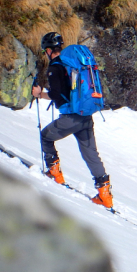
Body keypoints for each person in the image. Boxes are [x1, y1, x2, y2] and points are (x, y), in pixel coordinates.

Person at [31, 32, 113, 209]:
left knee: (46, 136)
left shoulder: (55, 67)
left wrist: (39, 94)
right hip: (85, 116)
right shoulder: (73, 64)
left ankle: (54, 173)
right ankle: (105, 195)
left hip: (71, 117)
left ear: (48, 50)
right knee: (91, 153)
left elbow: (56, 93)